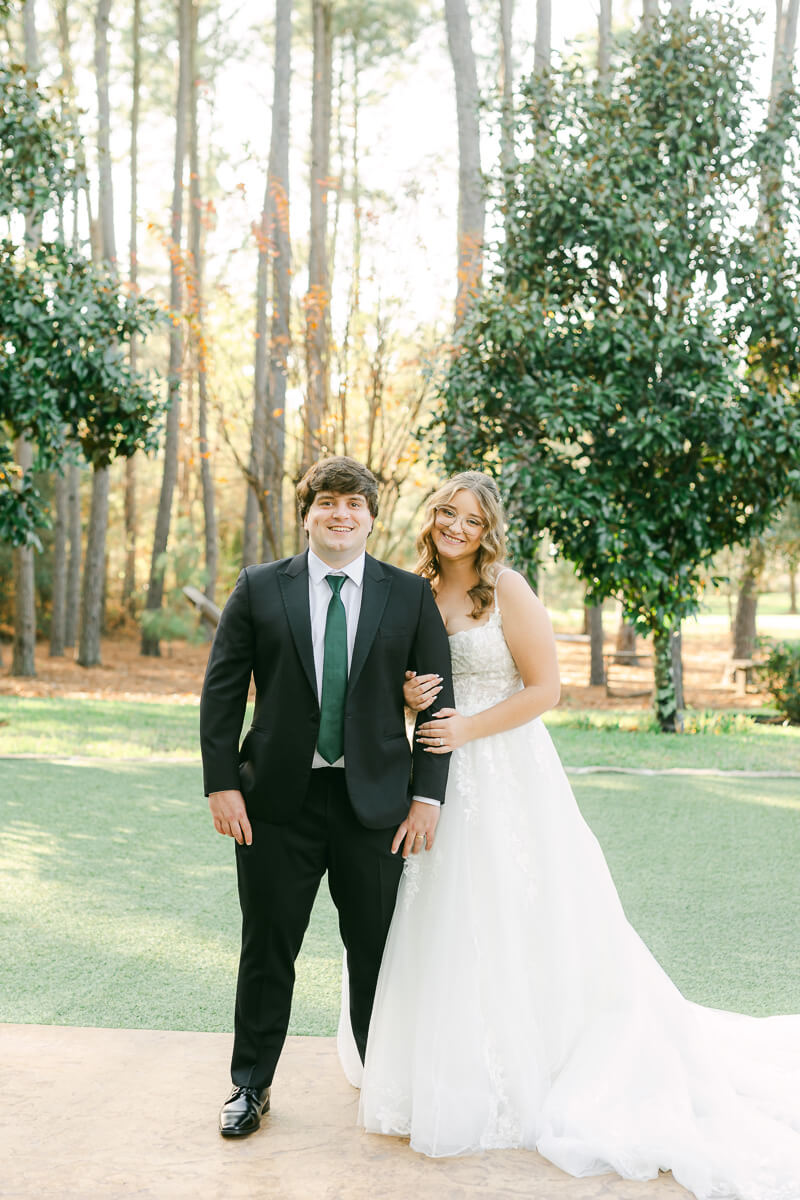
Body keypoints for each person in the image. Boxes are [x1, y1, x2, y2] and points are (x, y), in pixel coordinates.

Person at [338, 471, 800, 1200]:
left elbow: (545, 689)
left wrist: (466, 728)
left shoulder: (507, 590)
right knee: (439, 914)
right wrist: (406, 698)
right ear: (432, 518)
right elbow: (393, 682)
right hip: (434, 774)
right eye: (447, 512)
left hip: (508, 770)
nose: (456, 526)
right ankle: (441, 1066)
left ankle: (536, 1061)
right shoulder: (410, 589)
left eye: (472, 518)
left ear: (490, 530)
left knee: (522, 909)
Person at [200, 456, 454, 1138]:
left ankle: (386, 1085)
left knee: (377, 950)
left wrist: (427, 798)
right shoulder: (258, 588)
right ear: (307, 513)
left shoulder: (409, 596)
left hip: (375, 805)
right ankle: (249, 1086)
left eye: (355, 505)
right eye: (328, 504)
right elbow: (222, 693)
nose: (341, 515)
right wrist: (222, 784)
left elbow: (437, 705)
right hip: (276, 803)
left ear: (372, 517)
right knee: (268, 946)